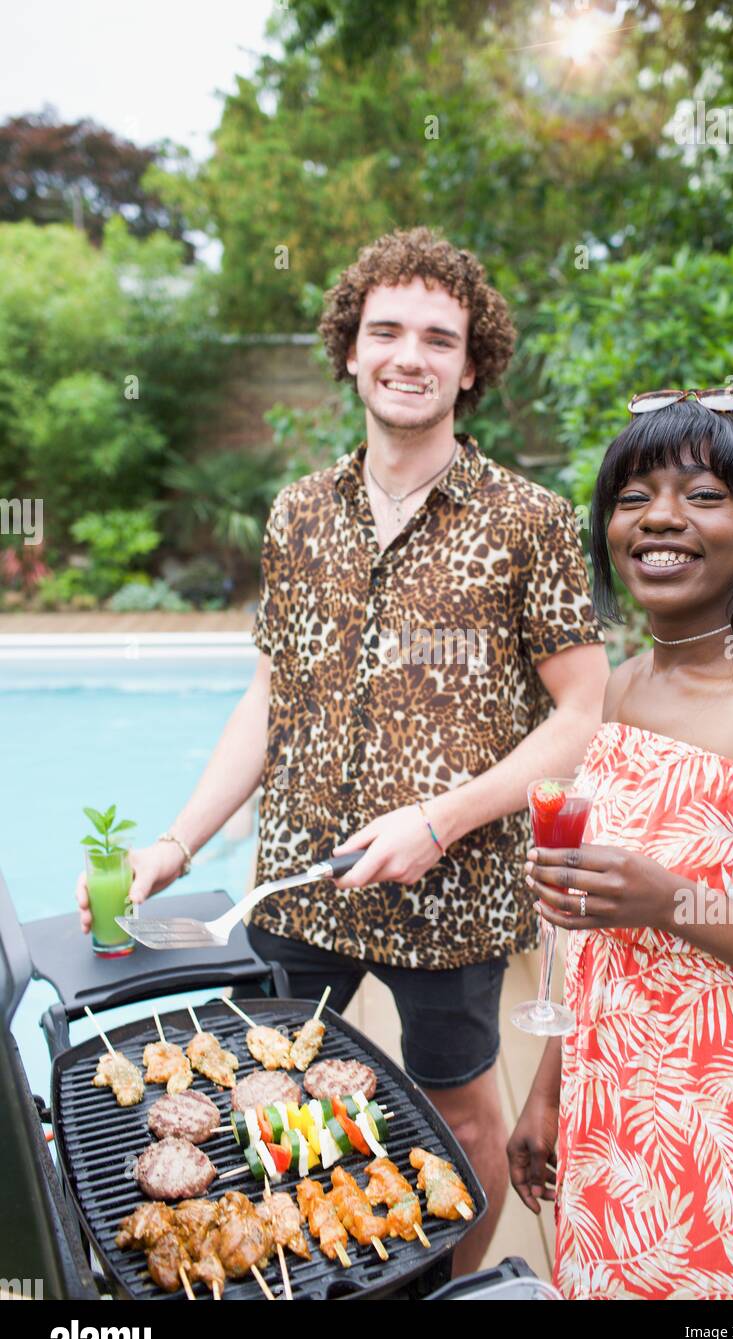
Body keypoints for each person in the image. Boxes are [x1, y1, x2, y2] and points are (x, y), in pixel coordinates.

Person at [77, 226, 609, 1273]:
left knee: (458, 1117)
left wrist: (439, 819)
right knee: (273, 1098)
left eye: (437, 338)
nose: (409, 354)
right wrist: (179, 846)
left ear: (471, 365)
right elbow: (269, 699)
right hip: (297, 881)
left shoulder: (529, 521)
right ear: (351, 350)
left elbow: (580, 713)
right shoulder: (296, 513)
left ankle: (449, 1292)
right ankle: (326, 1268)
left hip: (448, 886)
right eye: (386, 331)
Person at [507, 392, 733, 1299]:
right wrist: (550, 1087)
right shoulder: (624, 689)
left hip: (730, 1134)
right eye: (633, 496)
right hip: (608, 1108)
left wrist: (671, 901)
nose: (660, 518)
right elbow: (604, 936)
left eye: (702, 494)